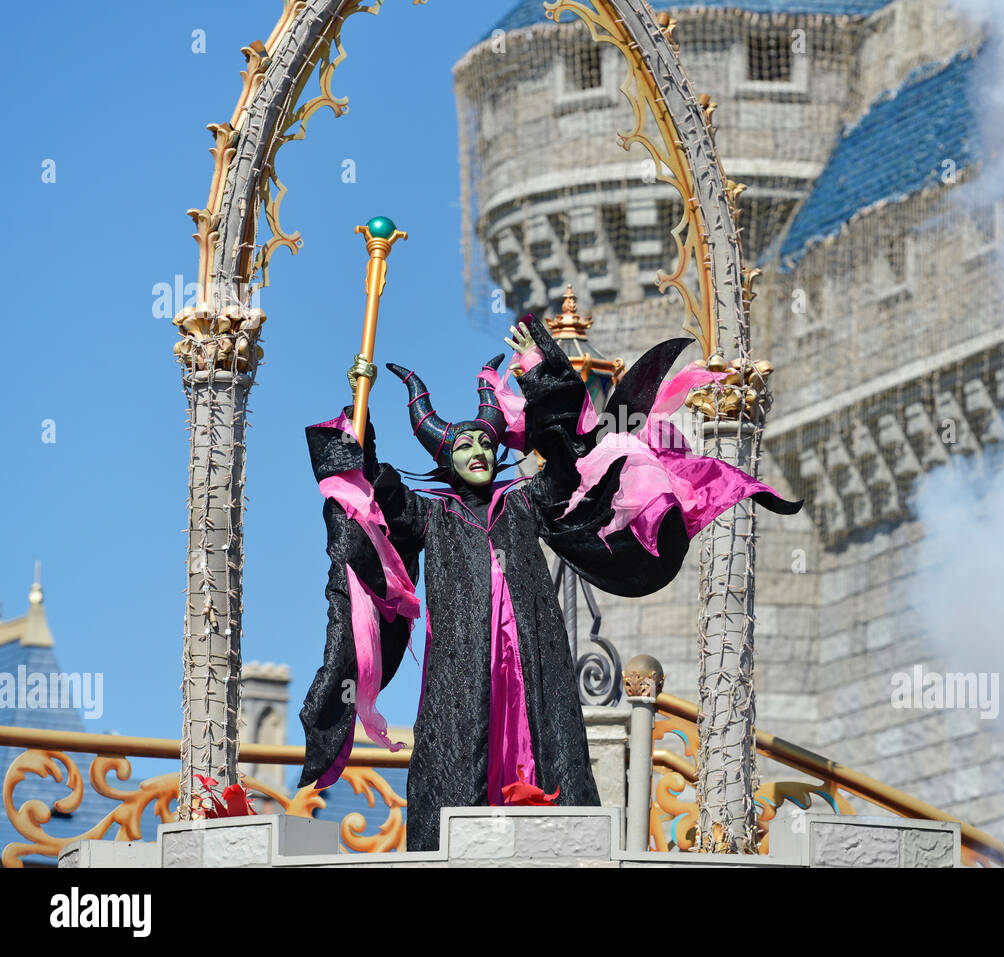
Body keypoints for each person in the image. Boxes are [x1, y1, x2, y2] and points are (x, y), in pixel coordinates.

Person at [298, 316, 800, 852]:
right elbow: (378, 499)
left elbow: (567, 460)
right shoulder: (432, 515)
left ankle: (547, 818)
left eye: (486, 446)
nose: (478, 453)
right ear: (446, 460)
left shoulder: (523, 499)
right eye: (464, 447)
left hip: (532, 647)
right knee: (458, 739)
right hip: (461, 660)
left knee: (545, 731)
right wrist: (359, 425)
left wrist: (539, 378)